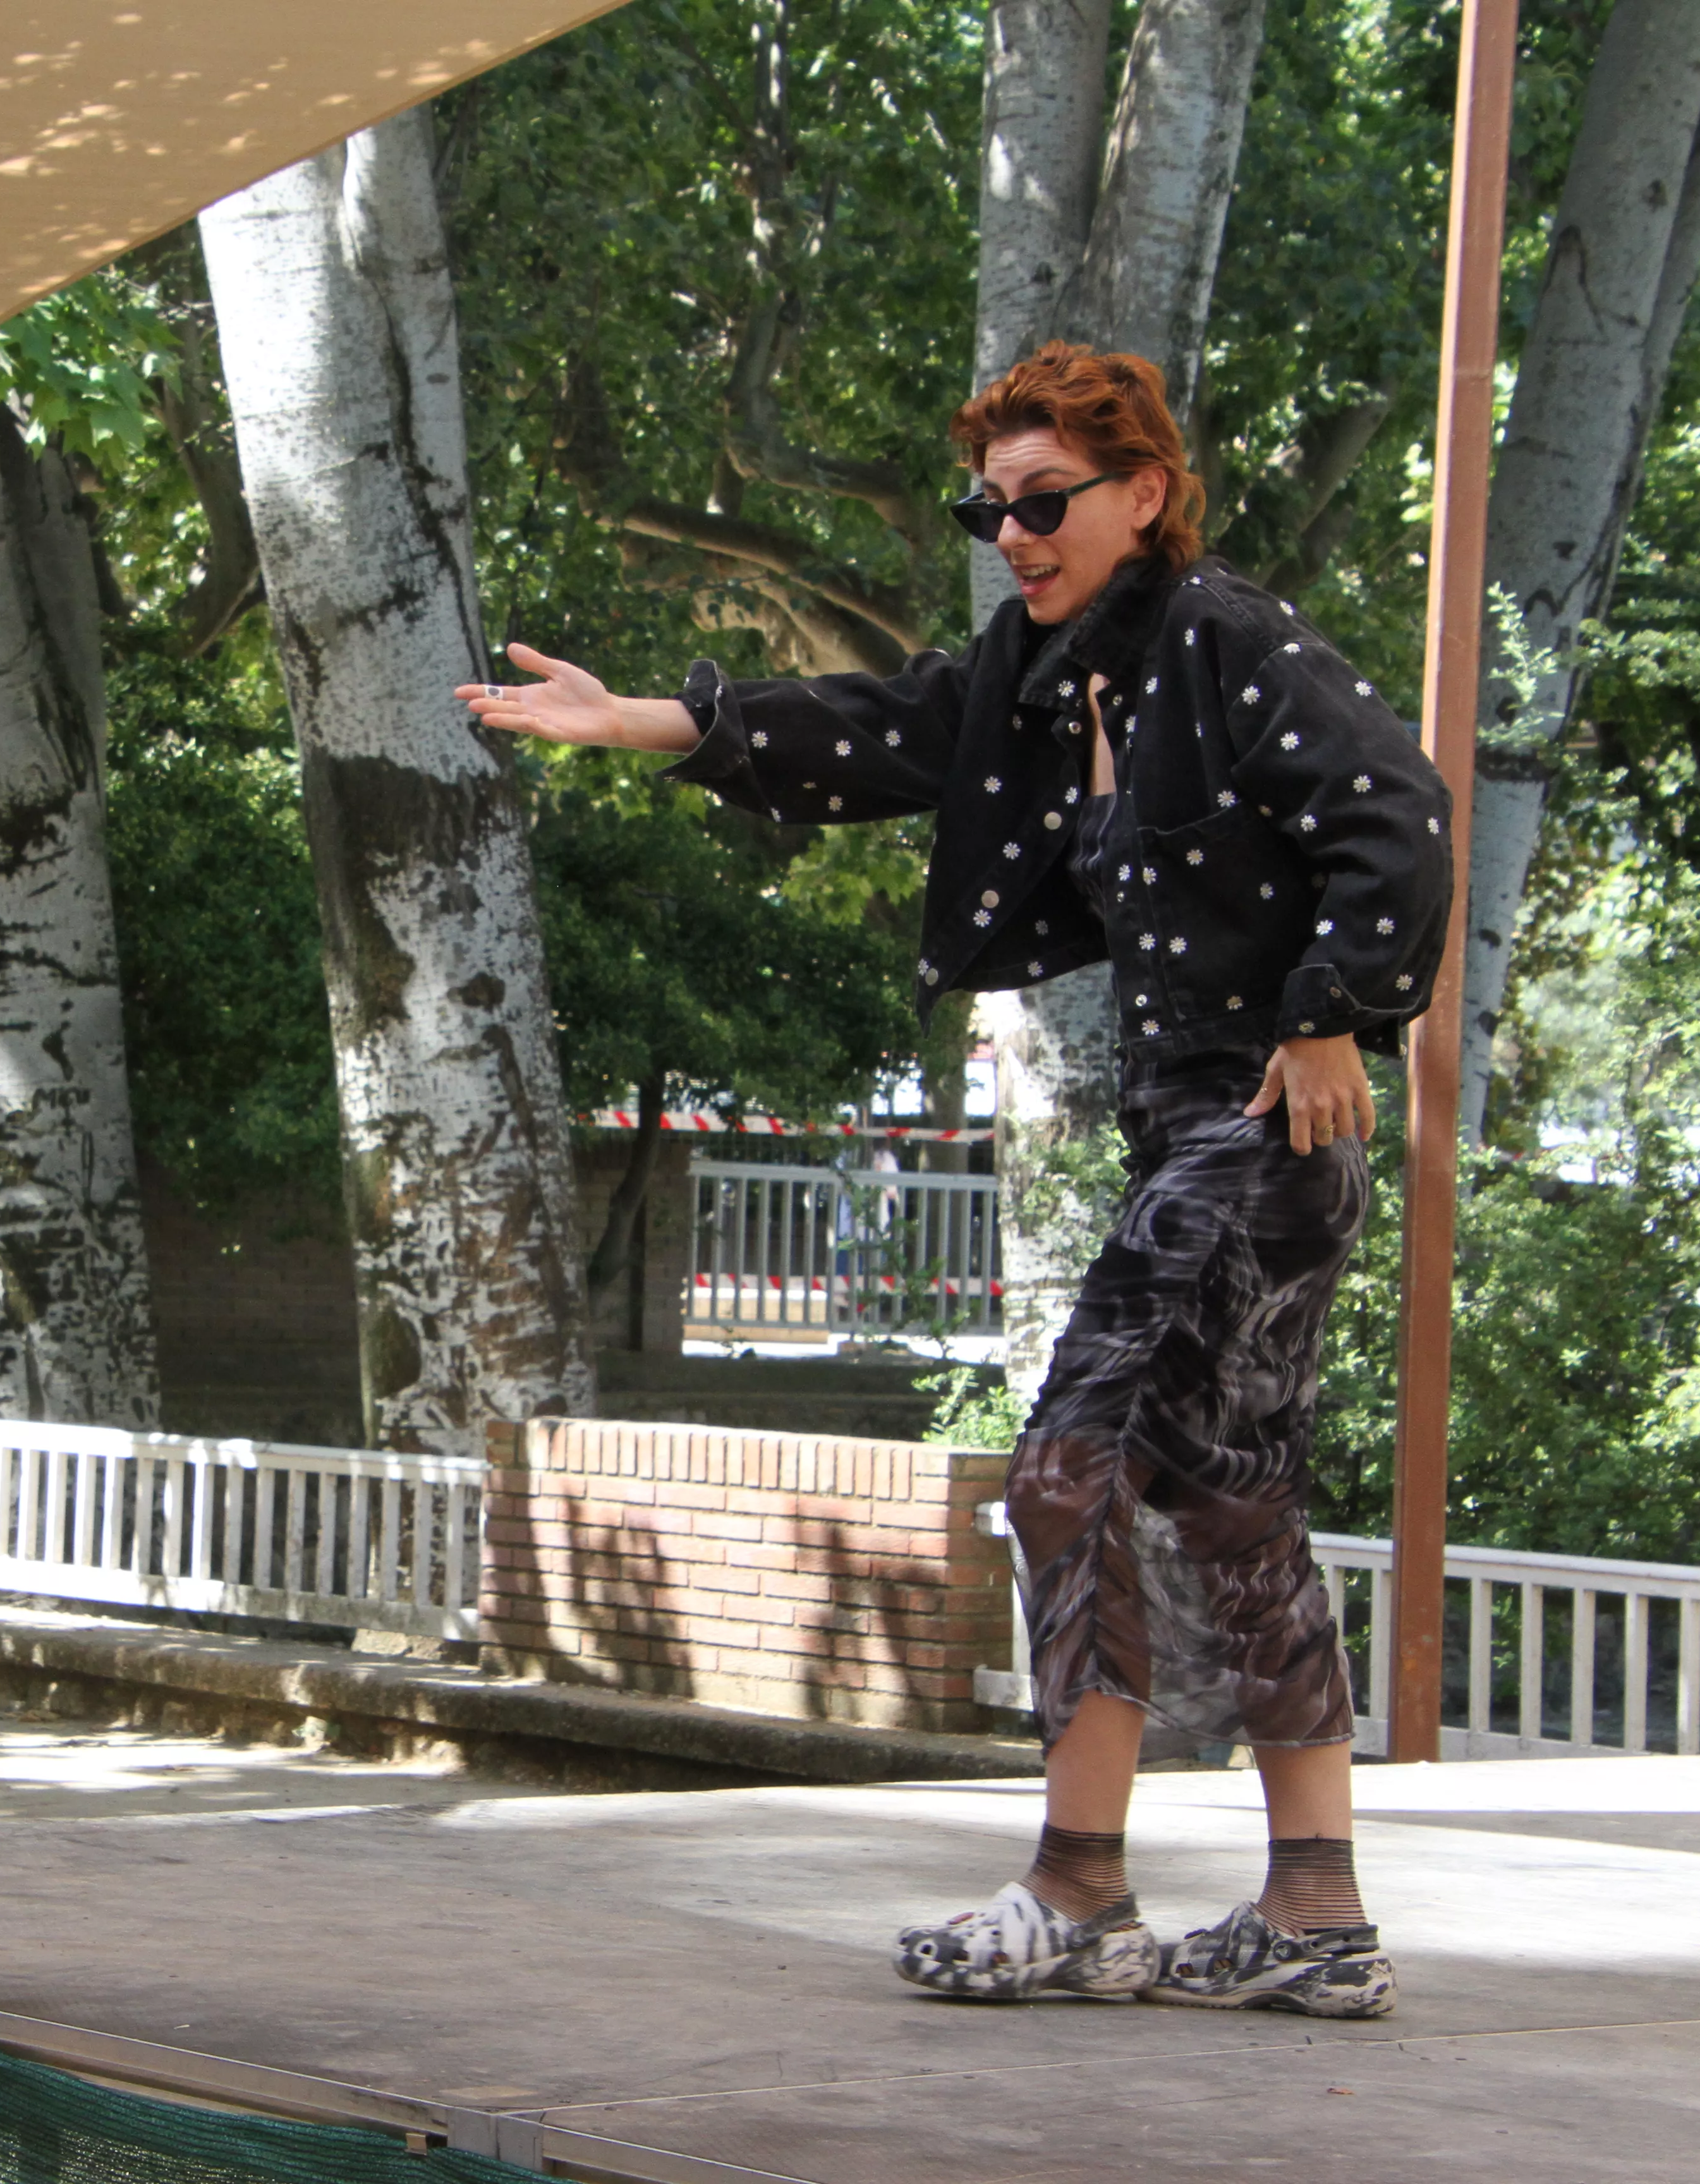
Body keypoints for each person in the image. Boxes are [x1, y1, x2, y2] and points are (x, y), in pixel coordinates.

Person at [458, 343, 1450, 2020]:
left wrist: (1336, 1012)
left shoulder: (1225, 640)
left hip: (1254, 1130)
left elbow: (1395, 814)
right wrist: (655, 720)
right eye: (990, 510)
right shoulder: (1051, 673)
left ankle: (1081, 1890)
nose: (1013, 534)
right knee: (1225, 1495)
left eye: (1043, 503)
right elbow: (891, 726)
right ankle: (1315, 1912)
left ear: (1143, 494)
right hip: (1209, 1142)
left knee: (1068, 1472)